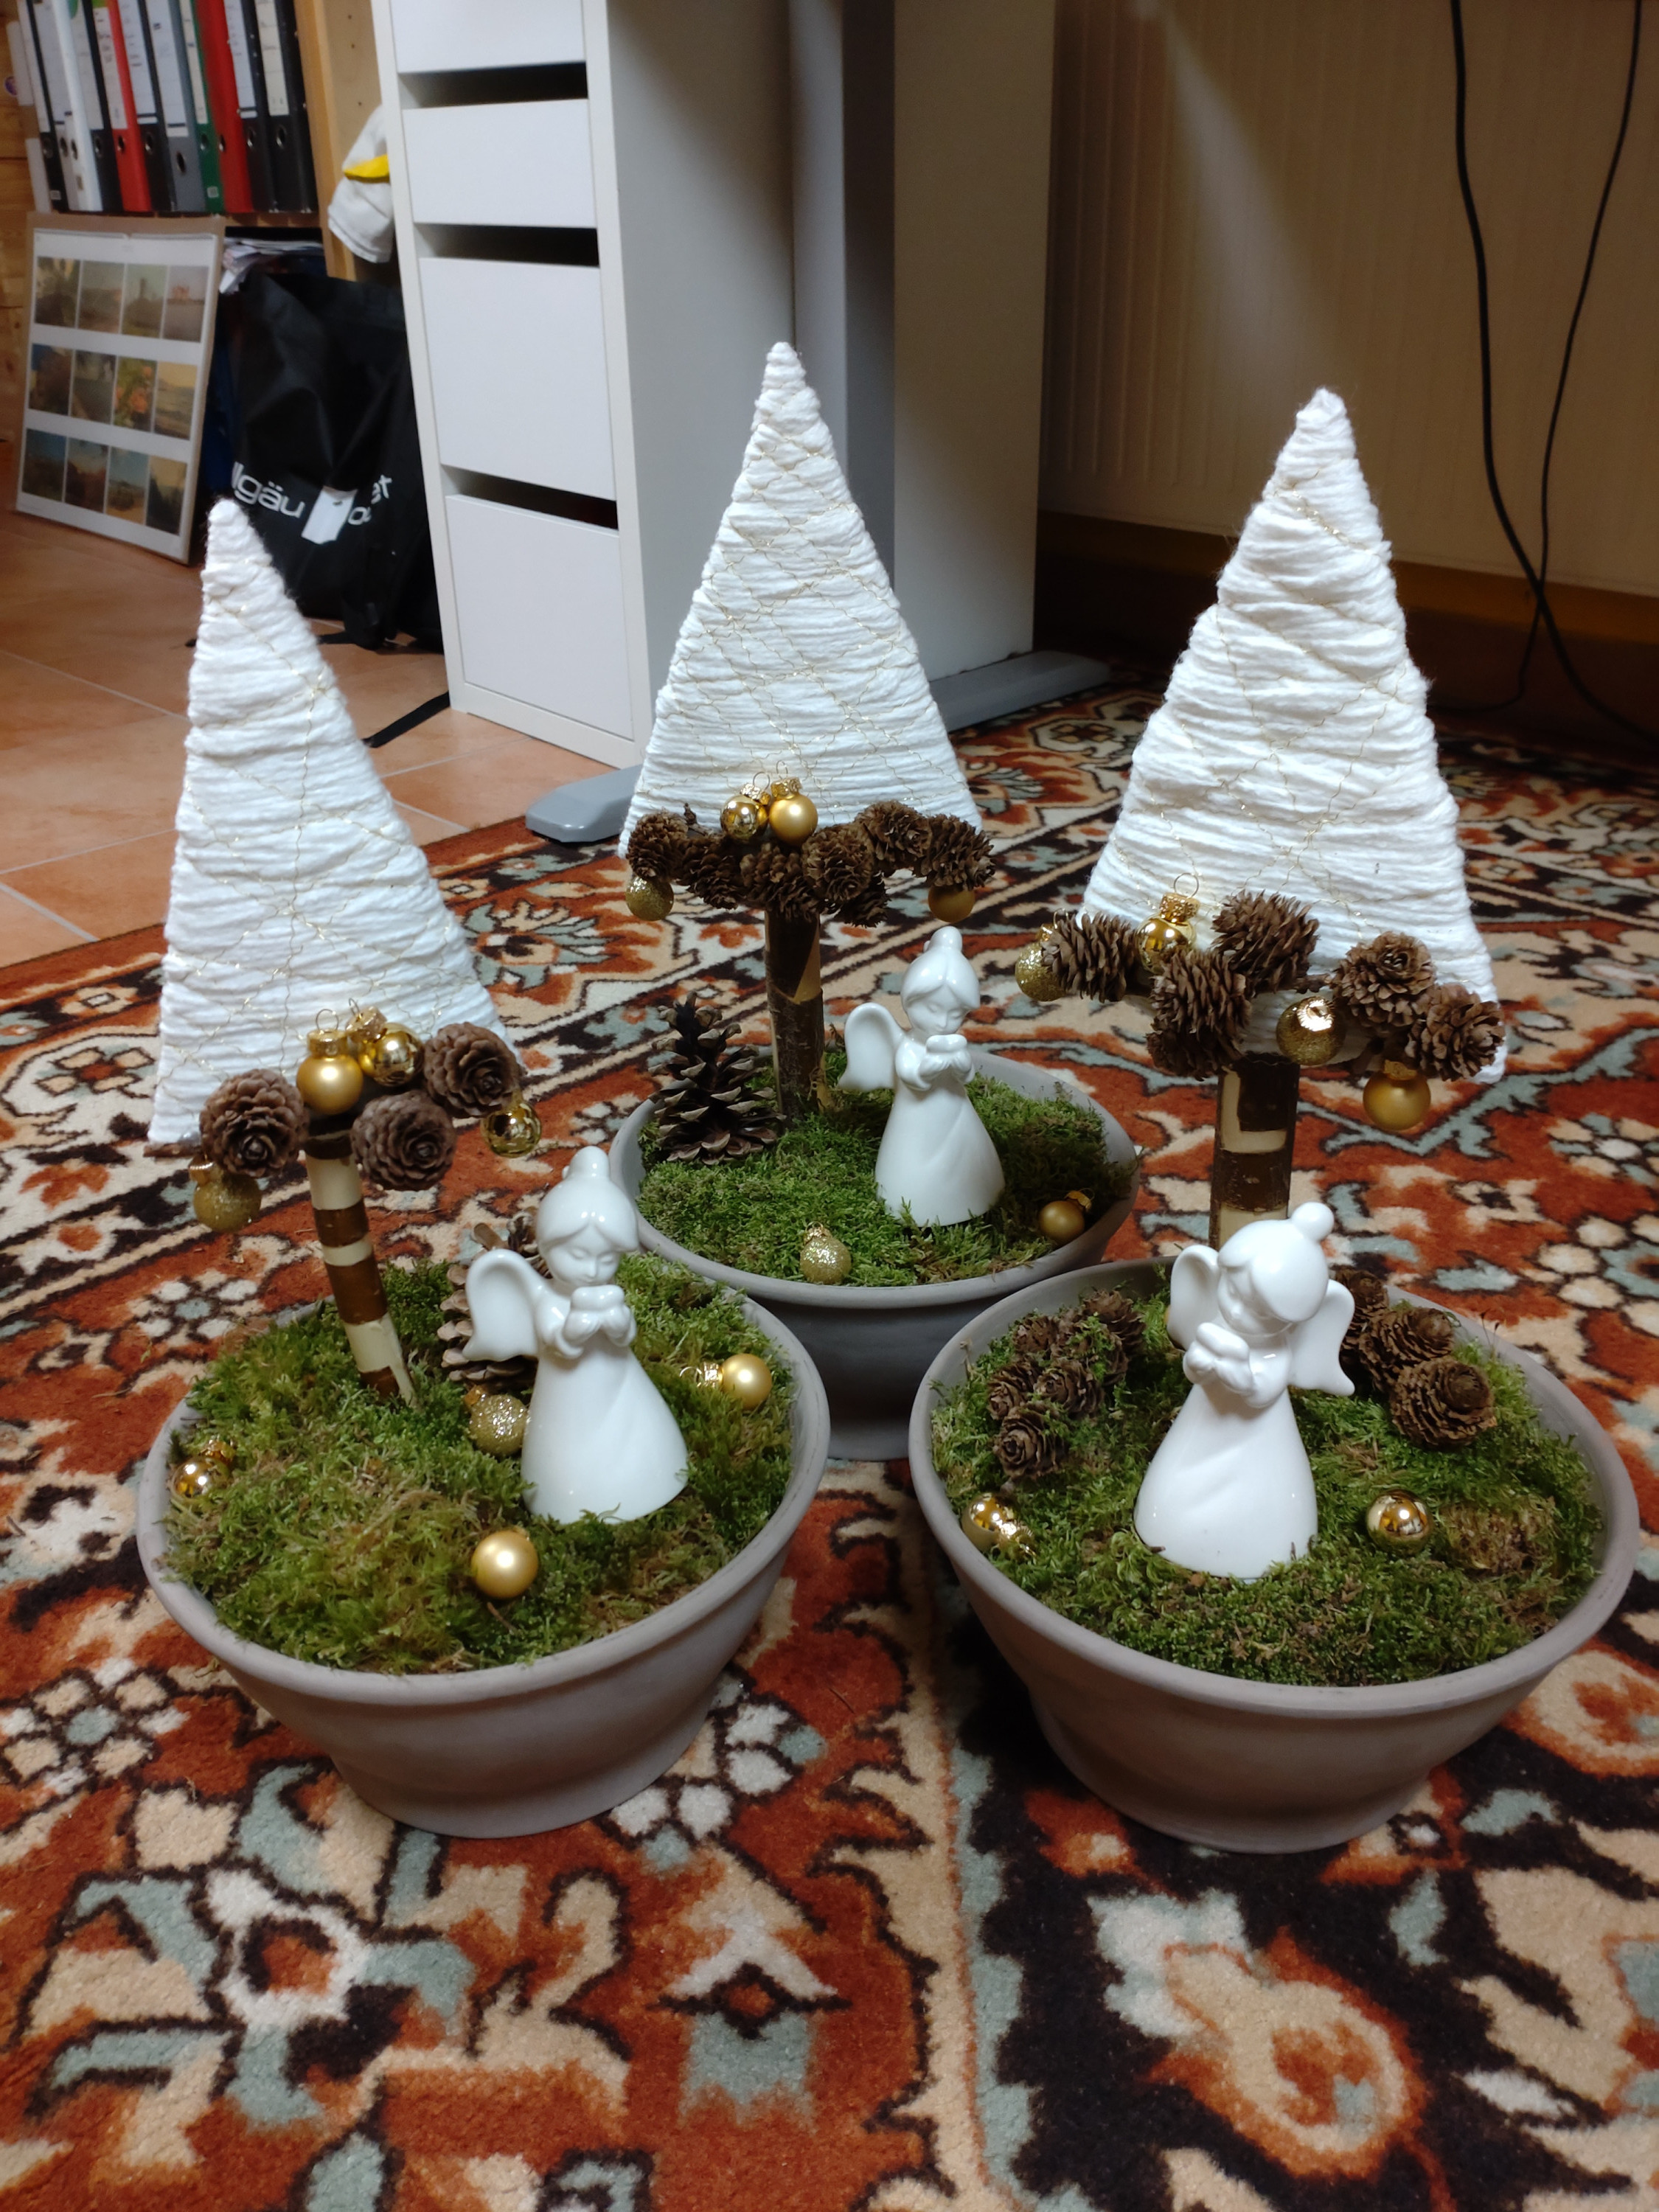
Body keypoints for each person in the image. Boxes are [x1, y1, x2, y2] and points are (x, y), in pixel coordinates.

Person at [464, 1148, 687, 1523]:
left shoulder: (608, 1292)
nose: (593, 1270)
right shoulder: (548, 1300)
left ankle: (651, 1476)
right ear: (548, 1248)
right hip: (568, 1395)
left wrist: (617, 1324)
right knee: (572, 1448)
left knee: (638, 1430)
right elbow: (560, 1344)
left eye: (606, 1258)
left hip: (620, 1383)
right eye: (578, 1256)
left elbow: (625, 1335)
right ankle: (569, 1498)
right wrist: (576, 1328)